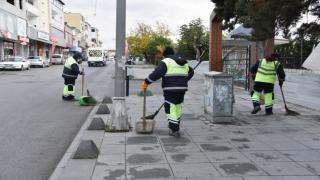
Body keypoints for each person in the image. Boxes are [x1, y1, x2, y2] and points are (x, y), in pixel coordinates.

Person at [141, 47, 194, 137]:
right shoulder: (183, 62)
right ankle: (174, 124)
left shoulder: (166, 61)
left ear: (165, 55)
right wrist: (184, 80)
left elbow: (157, 74)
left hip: (170, 89)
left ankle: (174, 129)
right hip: (182, 89)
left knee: (170, 107)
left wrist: (147, 82)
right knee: (177, 106)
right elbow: (191, 71)